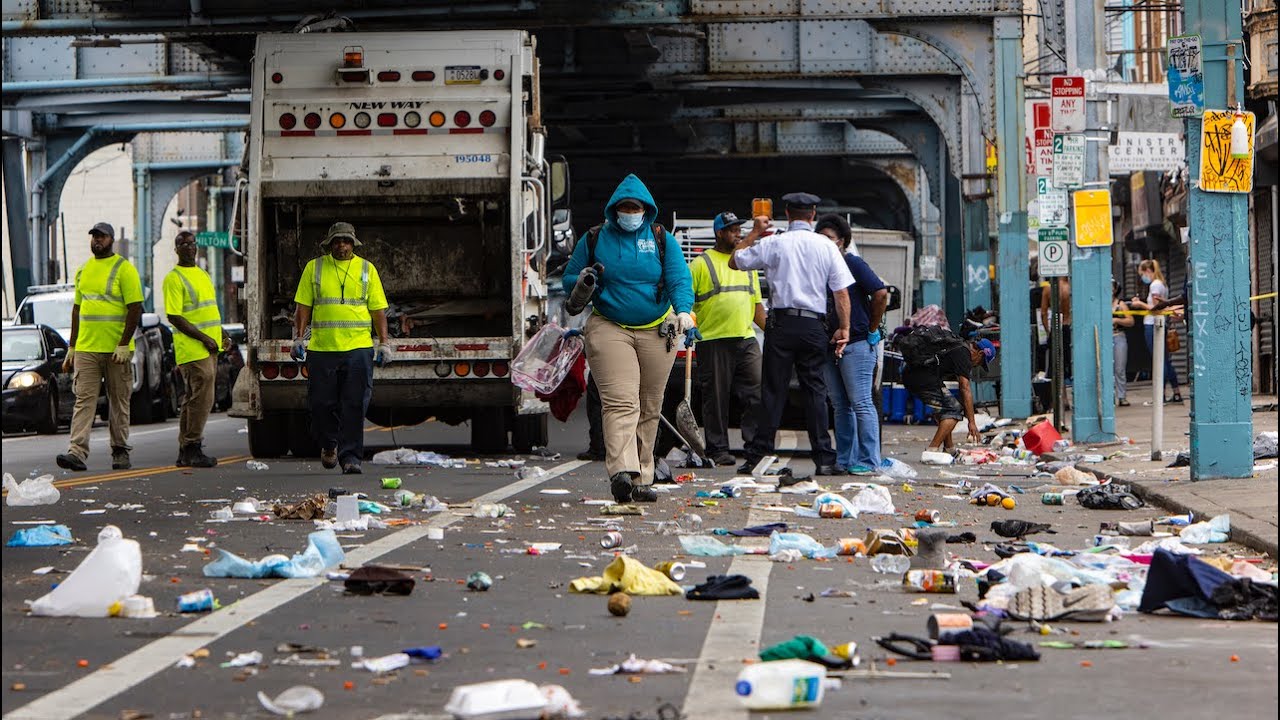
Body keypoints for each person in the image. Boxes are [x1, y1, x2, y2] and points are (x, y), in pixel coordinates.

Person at [562, 174, 693, 503]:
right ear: (613, 210)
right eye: (624, 207)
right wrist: (582, 280)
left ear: (646, 210)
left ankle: (641, 477)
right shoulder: (594, 239)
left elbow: (679, 278)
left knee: (650, 406)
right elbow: (568, 278)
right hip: (610, 326)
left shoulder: (662, 239)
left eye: (635, 207)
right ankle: (621, 470)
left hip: (658, 329)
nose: (630, 212)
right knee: (621, 401)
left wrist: (685, 312)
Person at [729, 192, 853, 476]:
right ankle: (824, 459)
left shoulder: (774, 243)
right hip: (813, 326)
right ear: (813, 216)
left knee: (773, 391)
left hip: (781, 325)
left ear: (786, 214)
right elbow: (841, 293)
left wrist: (754, 232)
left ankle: (758, 456)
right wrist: (843, 327)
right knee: (815, 392)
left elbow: (735, 261)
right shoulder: (826, 246)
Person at [291, 222, 393, 475]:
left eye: (346, 241)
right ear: (329, 244)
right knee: (321, 404)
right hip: (323, 349)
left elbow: (378, 310)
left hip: (358, 349)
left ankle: (351, 458)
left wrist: (384, 343)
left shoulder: (367, 269)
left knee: (355, 405)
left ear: (353, 244)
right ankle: (329, 444)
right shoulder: (314, 268)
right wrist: (298, 338)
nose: (342, 246)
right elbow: (303, 308)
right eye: (337, 241)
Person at [55, 222, 143, 472]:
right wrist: (72, 347)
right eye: (94, 236)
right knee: (84, 400)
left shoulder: (124, 269)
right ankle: (77, 452)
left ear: (111, 240)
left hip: (117, 351)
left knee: (119, 401)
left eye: (101, 237)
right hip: (87, 349)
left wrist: (124, 343)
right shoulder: (83, 270)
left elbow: (134, 307)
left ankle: (120, 450)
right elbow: (77, 309)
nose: (96, 240)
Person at [689, 211, 765, 467]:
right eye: (732, 230)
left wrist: (774, 334)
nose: (738, 234)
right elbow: (686, 300)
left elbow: (756, 306)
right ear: (719, 233)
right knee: (716, 398)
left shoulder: (746, 263)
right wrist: (688, 323)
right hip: (713, 340)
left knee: (757, 393)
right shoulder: (701, 264)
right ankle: (718, 449)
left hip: (746, 338)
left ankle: (755, 447)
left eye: (739, 229)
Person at [814, 214, 888, 475]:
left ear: (842, 242)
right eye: (819, 239)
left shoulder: (852, 263)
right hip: (829, 345)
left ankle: (869, 461)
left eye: (829, 239)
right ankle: (845, 459)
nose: (824, 244)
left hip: (856, 343)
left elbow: (880, 293)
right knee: (840, 405)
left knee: (861, 403)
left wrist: (871, 328)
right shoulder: (819, 270)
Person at [163, 230, 224, 467]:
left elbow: (209, 310)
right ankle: (192, 445)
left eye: (192, 243)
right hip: (192, 348)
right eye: (183, 244)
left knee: (194, 398)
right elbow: (175, 316)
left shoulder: (202, 274)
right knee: (202, 398)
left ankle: (186, 448)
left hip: (208, 346)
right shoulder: (174, 278)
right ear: (176, 249)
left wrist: (221, 335)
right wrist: (204, 338)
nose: (189, 247)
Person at [902, 334, 997, 453]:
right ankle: (932, 450)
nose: (976, 365)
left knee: (946, 410)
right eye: (980, 363)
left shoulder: (958, 346)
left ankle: (949, 448)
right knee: (954, 410)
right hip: (921, 378)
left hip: (915, 375)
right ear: (980, 353)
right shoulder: (964, 354)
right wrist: (971, 422)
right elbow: (965, 387)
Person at [1128, 258, 1182, 403]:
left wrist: (1139, 304)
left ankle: (1161, 395)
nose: (1142, 277)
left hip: (1152, 324)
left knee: (1159, 361)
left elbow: (1155, 308)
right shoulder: (1162, 284)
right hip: (1160, 324)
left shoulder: (1155, 285)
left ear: (1148, 271)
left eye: (1142, 274)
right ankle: (1175, 392)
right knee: (1164, 360)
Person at [1039, 275, 1072, 379]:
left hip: (1055, 327)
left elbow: (1043, 313)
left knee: (1054, 362)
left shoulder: (1048, 288)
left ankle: (1056, 384)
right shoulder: (1071, 287)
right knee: (1069, 359)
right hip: (1068, 326)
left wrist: (1048, 331)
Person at [1112, 280, 1134, 407]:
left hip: (1118, 336)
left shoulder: (1121, 305)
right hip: (1106, 338)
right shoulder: (1101, 303)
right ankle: (1109, 397)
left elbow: (1130, 321)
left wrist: (1116, 319)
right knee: (1107, 370)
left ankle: (1122, 396)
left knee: (1119, 368)